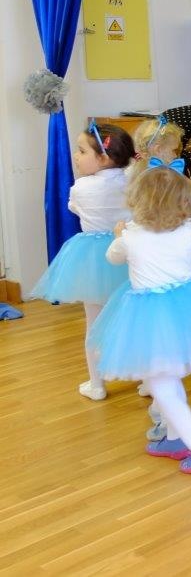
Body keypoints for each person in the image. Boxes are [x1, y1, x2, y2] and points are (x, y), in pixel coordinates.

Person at [88, 159, 191, 474]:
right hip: (186, 312)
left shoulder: (131, 236)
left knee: (161, 384)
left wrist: (118, 234)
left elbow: (112, 258)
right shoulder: (189, 232)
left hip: (148, 319)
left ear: (139, 201)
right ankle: (176, 439)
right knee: (169, 380)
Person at [26, 122, 135, 400]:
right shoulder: (133, 181)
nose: (75, 156)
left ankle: (96, 385)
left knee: (94, 323)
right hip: (130, 252)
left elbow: (73, 208)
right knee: (135, 318)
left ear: (104, 158)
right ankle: (147, 380)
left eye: (82, 150)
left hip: (92, 259)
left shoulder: (81, 187)